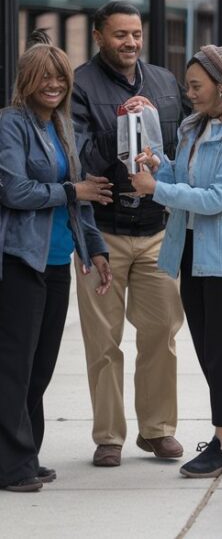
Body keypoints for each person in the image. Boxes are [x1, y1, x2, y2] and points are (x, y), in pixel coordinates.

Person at [130, 45, 222, 478]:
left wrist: (156, 189)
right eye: (187, 85)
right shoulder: (193, 126)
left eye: (195, 85)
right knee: (209, 349)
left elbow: (216, 198)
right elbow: (183, 180)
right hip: (190, 252)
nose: (188, 93)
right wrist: (161, 166)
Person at [71, 1, 189, 467]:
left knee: (161, 331)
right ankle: (109, 437)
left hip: (156, 227)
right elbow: (76, 156)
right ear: (99, 35)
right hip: (103, 230)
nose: (131, 43)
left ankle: (158, 430)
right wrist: (123, 121)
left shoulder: (163, 82)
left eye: (136, 34)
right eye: (121, 34)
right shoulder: (79, 84)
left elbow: (179, 149)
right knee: (103, 341)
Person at [0, 33, 113, 493]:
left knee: (41, 365)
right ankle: (12, 465)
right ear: (26, 81)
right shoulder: (10, 124)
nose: (53, 85)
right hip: (19, 260)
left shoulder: (62, 126)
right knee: (14, 366)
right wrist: (73, 191)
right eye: (44, 77)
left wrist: (97, 248)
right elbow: (14, 190)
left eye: (60, 77)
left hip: (56, 261)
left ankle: (26, 453)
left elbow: (81, 203)